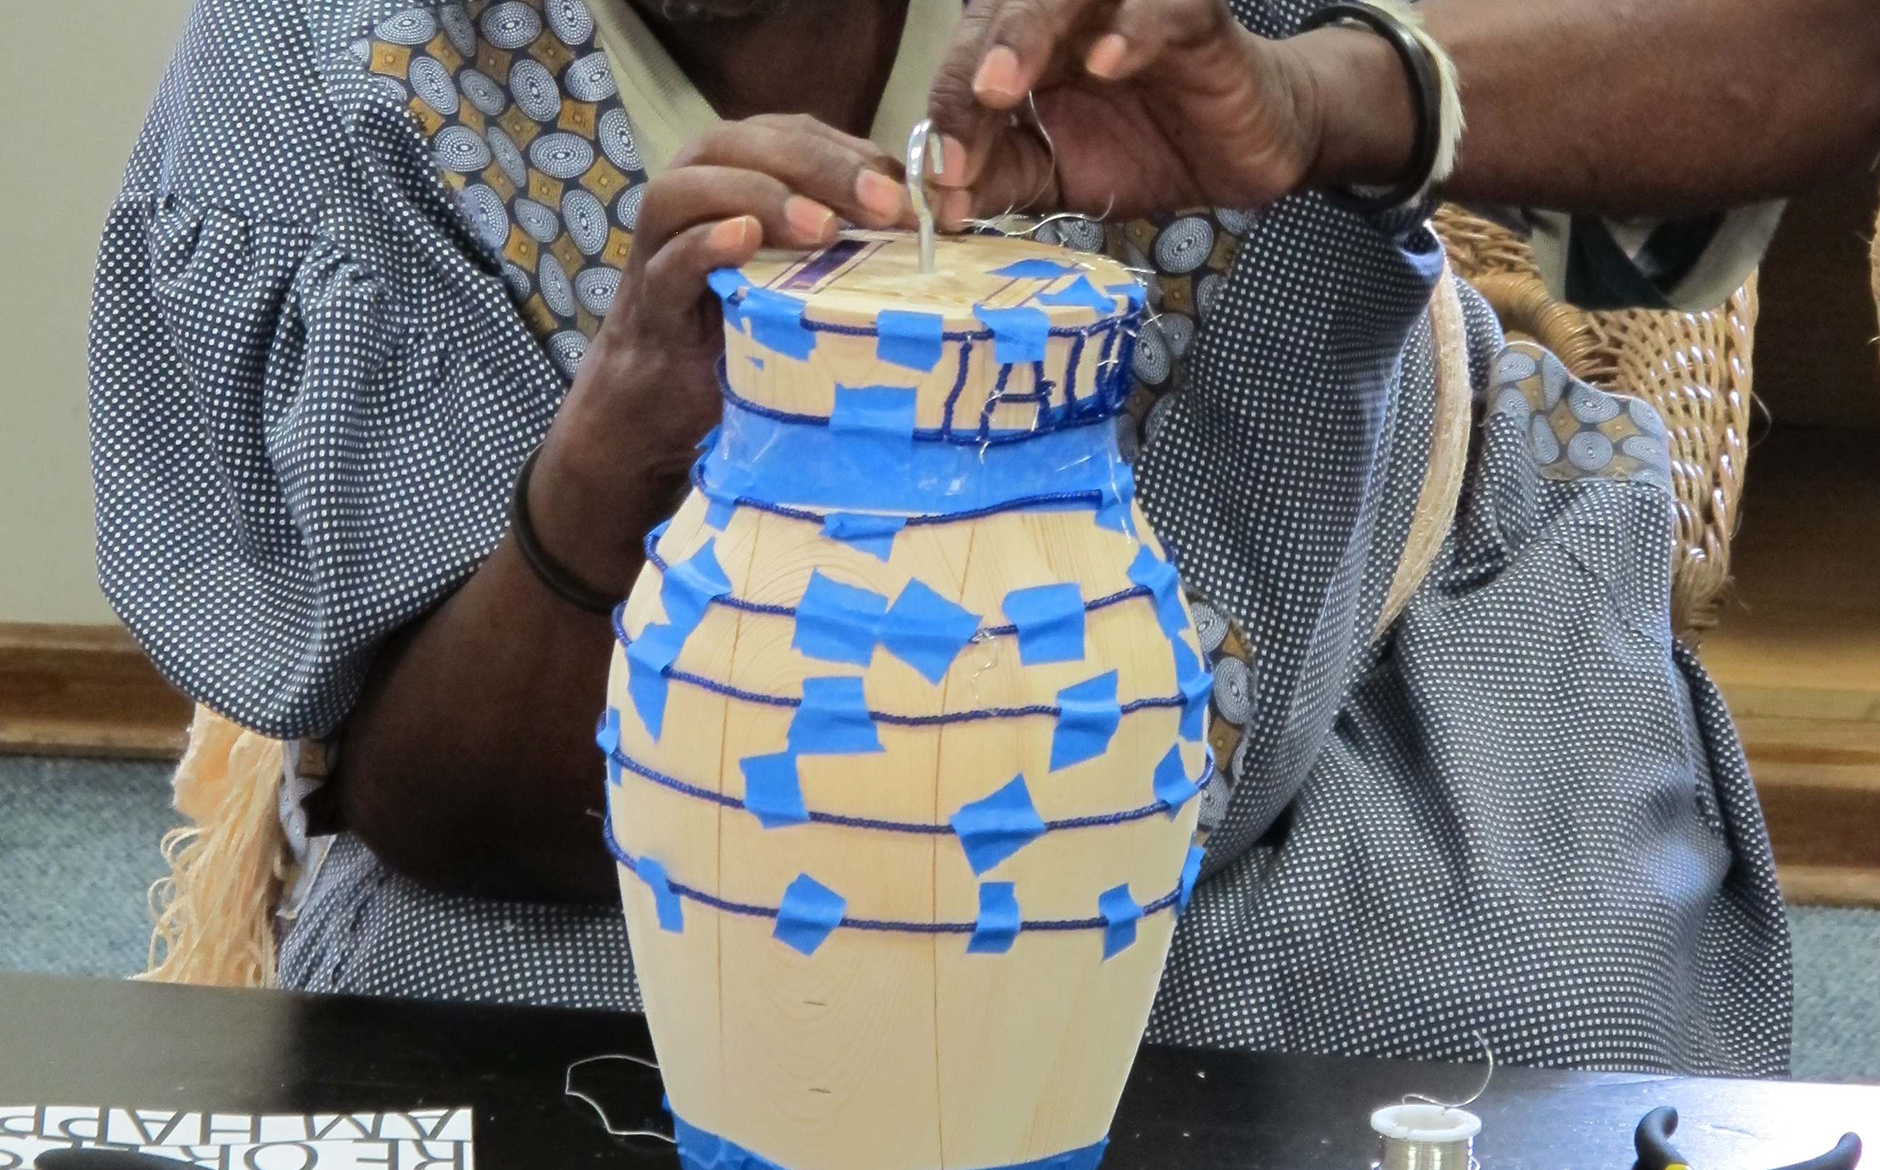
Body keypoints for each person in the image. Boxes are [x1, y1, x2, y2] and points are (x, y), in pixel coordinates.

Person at [92, 0, 1880, 1074]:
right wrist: (608, 470)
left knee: (1520, 1028)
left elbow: (1814, 46)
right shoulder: (328, 63)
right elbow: (431, 804)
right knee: (478, 1048)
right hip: (658, 829)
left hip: (1338, 689)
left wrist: (1323, 97)